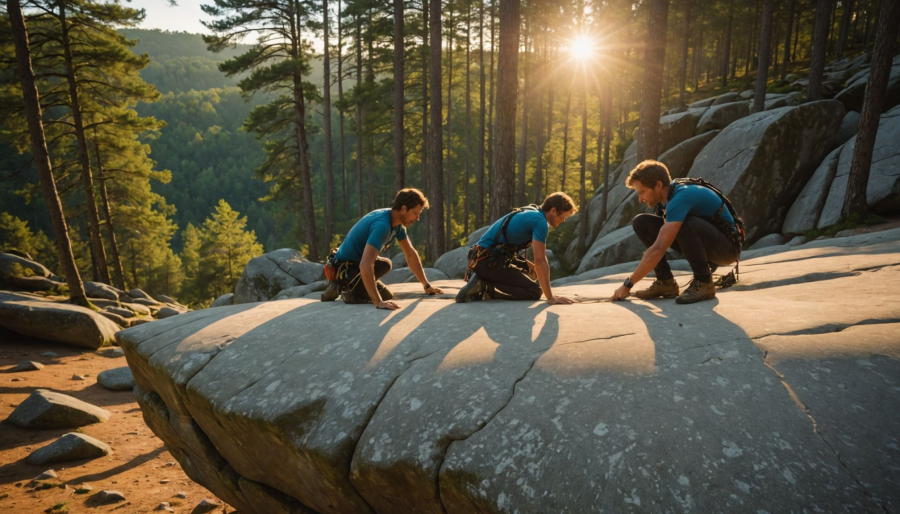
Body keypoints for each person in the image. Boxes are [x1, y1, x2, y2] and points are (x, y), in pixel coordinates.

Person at [611, 160, 743, 304]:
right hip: (710, 240)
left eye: (642, 192)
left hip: (728, 248)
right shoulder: (666, 196)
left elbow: (658, 248)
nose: (640, 199)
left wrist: (627, 285)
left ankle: (704, 282)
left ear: (658, 185)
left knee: (683, 223)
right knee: (641, 222)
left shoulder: (680, 198)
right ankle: (665, 283)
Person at [322, 188, 443, 309]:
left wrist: (426, 285)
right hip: (345, 267)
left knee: (385, 269)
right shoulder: (382, 225)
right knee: (372, 294)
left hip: (357, 264)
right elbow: (365, 264)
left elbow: (410, 253)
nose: (417, 218)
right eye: (415, 213)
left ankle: (352, 287)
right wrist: (378, 302)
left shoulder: (397, 225)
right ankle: (342, 287)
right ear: (404, 209)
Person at [456, 192, 577, 304]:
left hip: (480, 258)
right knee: (534, 292)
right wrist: (550, 297)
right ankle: (486, 285)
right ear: (554, 211)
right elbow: (540, 260)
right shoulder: (540, 222)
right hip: (488, 262)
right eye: (563, 217)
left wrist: (526, 266)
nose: (563, 221)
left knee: (530, 272)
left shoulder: (532, 211)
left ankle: (483, 280)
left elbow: (510, 247)